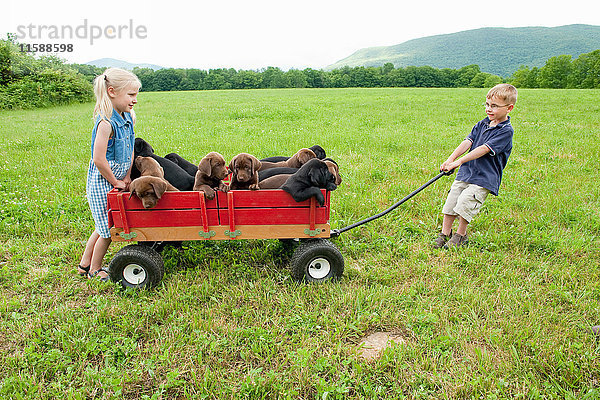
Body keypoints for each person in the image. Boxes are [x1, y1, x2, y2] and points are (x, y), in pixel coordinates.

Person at [434, 83, 518, 249]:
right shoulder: (482, 124)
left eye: (494, 106)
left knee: (466, 202)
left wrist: (459, 162)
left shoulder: (506, 130)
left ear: (509, 108)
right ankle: (445, 233)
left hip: (484, 177)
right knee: (452, 201)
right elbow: (468, 141)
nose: (489, 109)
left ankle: (460, 235)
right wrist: (451, 159)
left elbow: (483, 149)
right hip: (467, 172)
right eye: (487, 104)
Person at [77, 68, 141, 280]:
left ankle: (84, 264)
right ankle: (95, 270)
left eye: (136, 95)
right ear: (112, 91)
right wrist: (115, 180)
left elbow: (131, 147)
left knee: (102, 225)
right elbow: (99, 159)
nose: (135, 100)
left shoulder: (128, 117)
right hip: (102, 182)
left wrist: (128, 175)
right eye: (131, 95)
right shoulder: (106, 123)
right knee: (108, 229)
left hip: (119, 179)